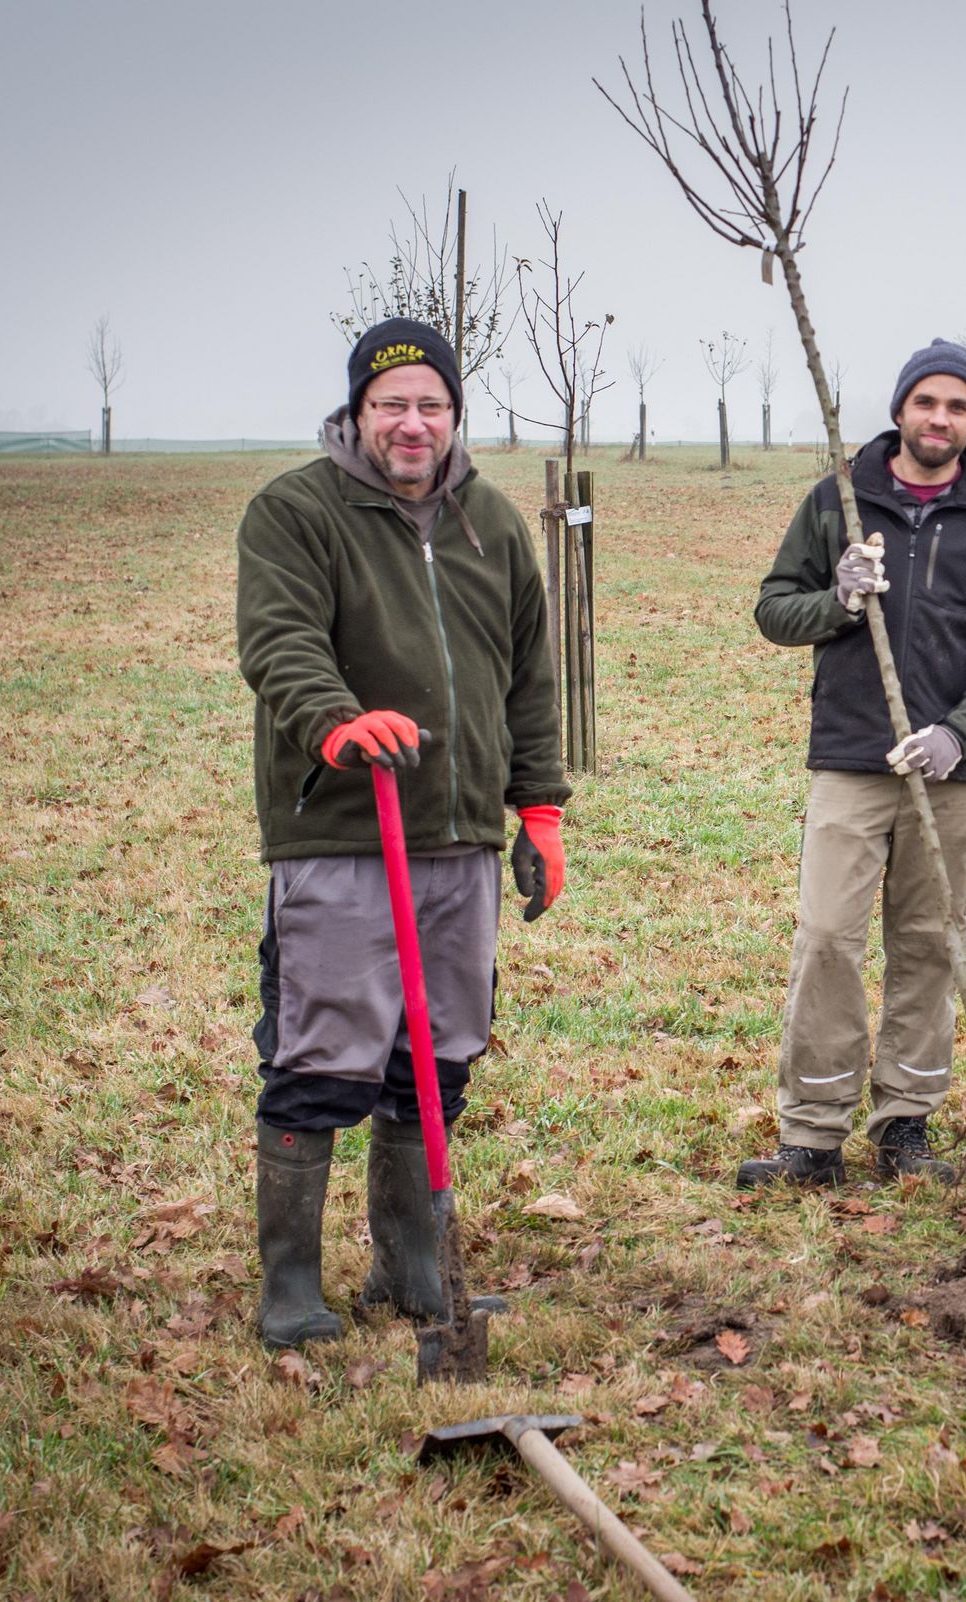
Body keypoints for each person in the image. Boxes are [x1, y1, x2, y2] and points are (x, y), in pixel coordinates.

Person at [236, 318, 567, 1346]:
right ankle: (290, 1285)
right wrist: (337, 723)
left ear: (455, 414)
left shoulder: (493, 524)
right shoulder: (295, 512)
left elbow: (528, 677)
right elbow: (277, 638)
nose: (412, 423)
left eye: (430, 404)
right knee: (322, 1053)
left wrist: (541, 808)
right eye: (391, 406)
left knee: (439, 1056)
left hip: (457, 836)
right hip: (341, 827)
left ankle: (411, 1266)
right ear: (358, 414)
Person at [742, 338, 966, 1189]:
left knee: (927, 944)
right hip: (849, 755)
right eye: (927, 403)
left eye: (957, 407)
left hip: (950, 773)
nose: (940, 419)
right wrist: (836, 600)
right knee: (828, 940)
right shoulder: (841, 499)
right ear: (900, 410)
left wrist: (959, 733)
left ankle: (905, 1125)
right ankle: (811, 1136)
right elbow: (774, 609)